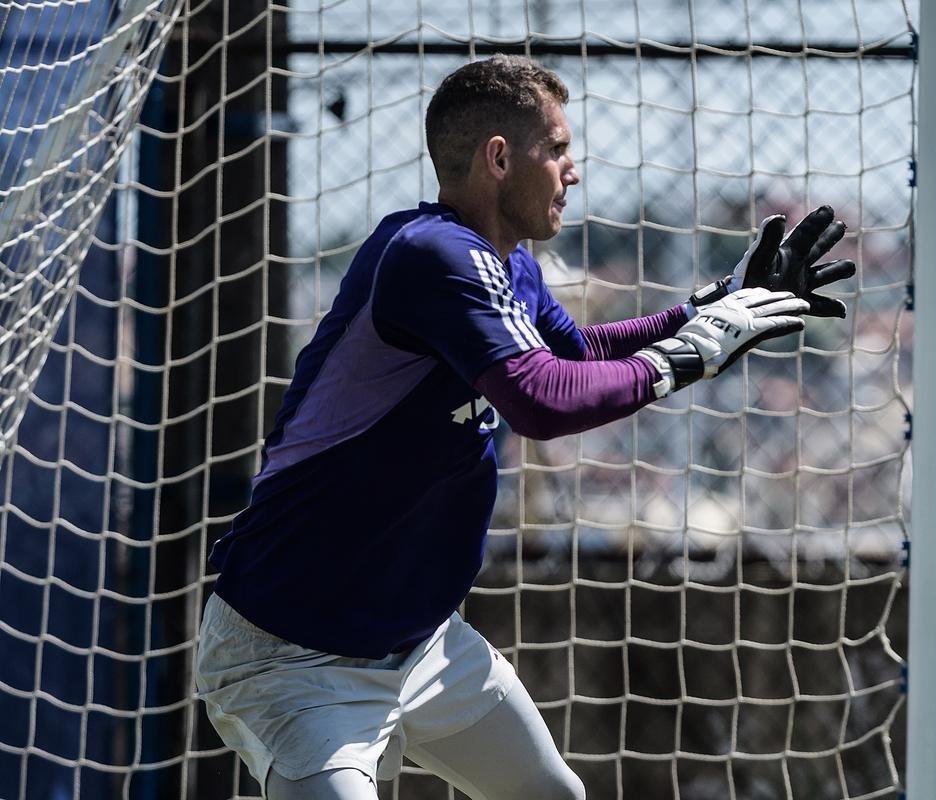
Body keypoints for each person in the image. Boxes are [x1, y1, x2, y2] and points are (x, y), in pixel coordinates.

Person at [194, 55, 855, 800]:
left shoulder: (510, 265)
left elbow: (579, 355)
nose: (574, 170)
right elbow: (544, 400)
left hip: (420, 645)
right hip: (295, 656)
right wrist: (694, 351)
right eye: (560, 149)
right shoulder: (431, 254)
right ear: (500, 158)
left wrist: (718, 305)